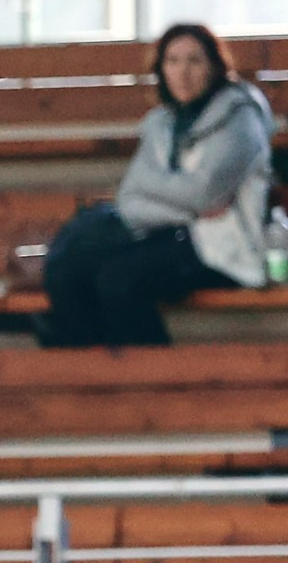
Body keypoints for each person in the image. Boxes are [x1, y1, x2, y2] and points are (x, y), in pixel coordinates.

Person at [41, 23, 273, 349]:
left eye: (194, 61)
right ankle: (90, 367)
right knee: (69, 268)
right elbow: (131, 197)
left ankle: (155, 376)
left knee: (119, 279)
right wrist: (187, 211)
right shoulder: (160, 124)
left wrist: (162, 192)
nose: (183, 72)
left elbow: (205, 194)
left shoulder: (240, 118)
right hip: (168, 235)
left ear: (214, 67)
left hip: (223, 246)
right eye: (172, 61)